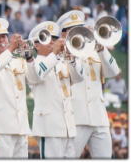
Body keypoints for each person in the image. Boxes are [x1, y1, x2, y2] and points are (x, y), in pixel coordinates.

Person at [56, 10, 121, 158]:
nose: (79, 32)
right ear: (64, 34)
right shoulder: (59, 56)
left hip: (99, 117)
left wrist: (101, 48)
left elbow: (113, 71)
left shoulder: (95, 52)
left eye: (81, 28)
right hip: (75, 118)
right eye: (73, 30)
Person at [0, 18, 35, 158]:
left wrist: (29, 57)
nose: (1, 40)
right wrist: (10, 49)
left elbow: (35, 80)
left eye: (3, 36)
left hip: (21, 127)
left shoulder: (18, 61)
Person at [27, 21, 83, 159]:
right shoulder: (33, 64)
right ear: (36, 44)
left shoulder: (61, 62)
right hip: (49, 128)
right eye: (47, 38)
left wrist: (71, 57)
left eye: (55, 38)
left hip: (68, 127)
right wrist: (55, 54)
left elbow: (78, 78)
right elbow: (38, 75)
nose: (53, 41)